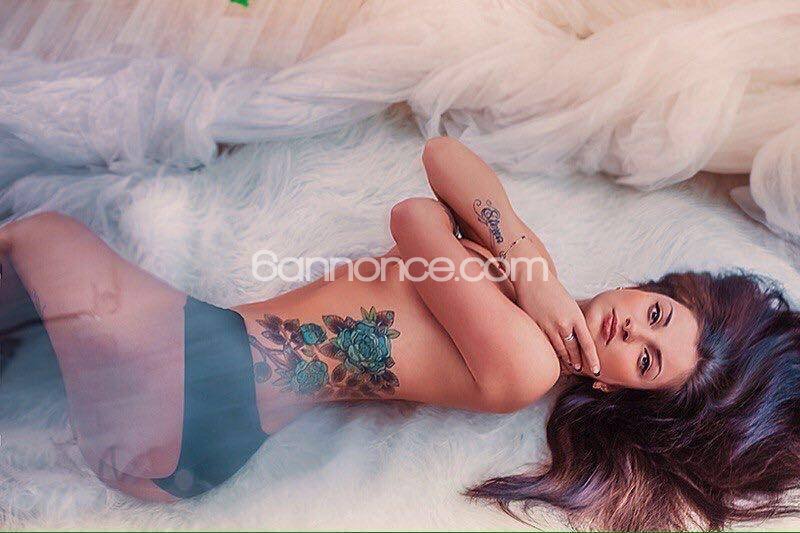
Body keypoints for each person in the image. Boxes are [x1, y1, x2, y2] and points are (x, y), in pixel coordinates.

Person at [0, 136, 798, 531]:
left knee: (39, 235)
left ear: (615, 386)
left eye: (646, 359)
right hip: (199, 382)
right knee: (30, 266)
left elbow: (416, 218)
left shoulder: (525, 363)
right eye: (656, 313)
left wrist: (525, 265)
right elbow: (445, 154)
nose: (631, 328)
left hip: (196, 396)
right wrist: (534, 268)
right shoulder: (530, 282)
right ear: (656, 288)